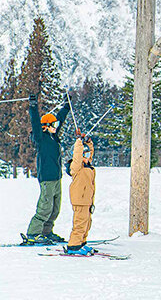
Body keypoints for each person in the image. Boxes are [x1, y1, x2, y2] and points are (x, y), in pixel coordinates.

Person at [24, 94, 70, 245]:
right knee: (45, 207)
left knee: (55, 208)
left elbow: (60, 119)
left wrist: (66, 106)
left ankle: (46, 231)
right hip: (47, 178)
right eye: (54, 125)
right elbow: (35, 123)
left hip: (57, 177)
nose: (56, 127)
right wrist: (32, 106)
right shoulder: (41, 138)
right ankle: (33, 233)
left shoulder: (53, 136)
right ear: (46, 126)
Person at [64, 136, 96, 255]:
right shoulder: (76, 167)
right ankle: (74, 245)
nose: (87, 158)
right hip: (80, 200)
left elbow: (90, 154)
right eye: (85, 155)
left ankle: (82, 242)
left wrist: (88, 143)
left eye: (88, 155)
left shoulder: (88, 165)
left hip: (87, 200)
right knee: (80, 223)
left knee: (87, 223)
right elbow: (77, 156)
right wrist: (79, 143)